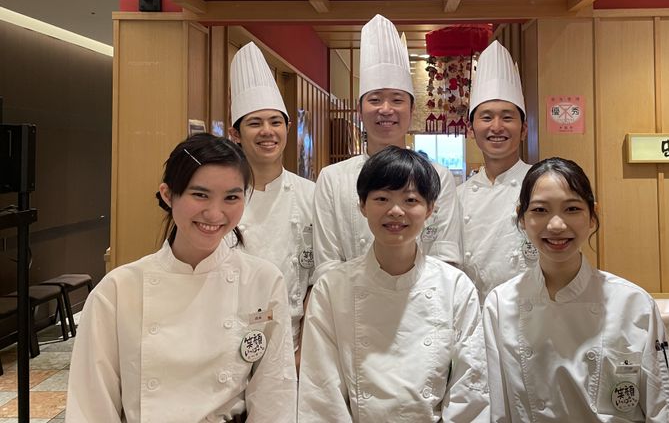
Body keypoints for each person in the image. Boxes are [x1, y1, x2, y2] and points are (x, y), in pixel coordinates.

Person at [66, 134, 297, 423]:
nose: (214, 213)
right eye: (200, 195)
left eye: (231, 197)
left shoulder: (263, 281)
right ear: (167, 194)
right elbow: (91, 405)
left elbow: (274, 393)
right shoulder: (118, 290)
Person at [482, 157, 669, 422]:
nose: (556, 225)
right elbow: (496, 411)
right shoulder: (500, 304)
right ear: (522, 217)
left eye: (572, 209)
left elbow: (668, 410)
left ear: (592, 216)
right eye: (540, 210)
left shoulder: (633, 303)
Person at [299, 146, 489, 421]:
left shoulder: (455, 287)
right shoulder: (332, 288)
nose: (396, 211)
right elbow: (321, 394)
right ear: (362, 206)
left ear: (430, 209)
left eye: (410, 200)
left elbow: (470, 389)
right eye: (382, 198)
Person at [312, 14, 462, 282]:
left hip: (423, 301)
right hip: (351, 302)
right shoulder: (332, 178)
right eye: (375, 99)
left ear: (412, 110)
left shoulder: (439, 176)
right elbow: (327, 264)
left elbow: (446, 260)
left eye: (397, 99)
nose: (385, 109)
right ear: (359, 110)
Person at [229, 41, 316, 363]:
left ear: (288, 128)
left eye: (275, 122)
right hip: (225, 337)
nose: (267, 131)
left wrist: (304, 348)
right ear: (235, 134)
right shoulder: (222, 197)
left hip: (291, 343)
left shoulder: (311, 195)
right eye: (255, 123)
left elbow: (318, 280)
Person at [458, 40, 536, 303]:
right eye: (486, 117)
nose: (497, 126)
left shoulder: (543, 184)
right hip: (474, 313)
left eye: (508, 117)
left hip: (530, 311)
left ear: (524, 129)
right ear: (471, 130)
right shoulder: (457, 197)